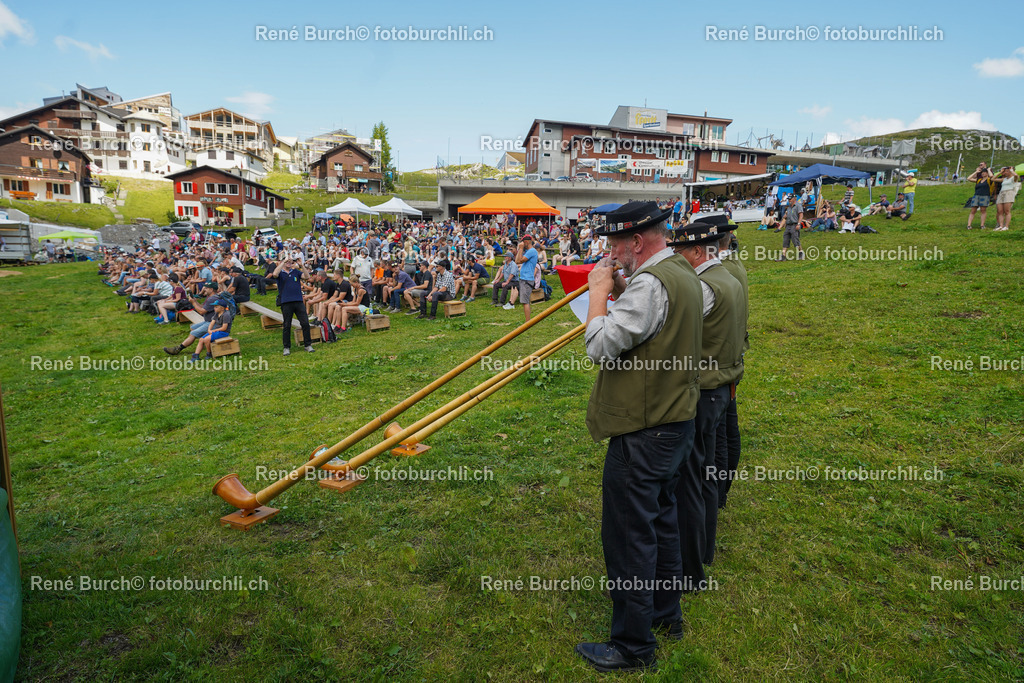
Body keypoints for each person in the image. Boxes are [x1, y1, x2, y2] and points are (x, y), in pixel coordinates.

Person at [575, 201, 702, 673]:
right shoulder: (680, 271)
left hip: (644, 428)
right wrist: (624, 290)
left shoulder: (651, 282)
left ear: (635, 242)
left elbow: (601, 345)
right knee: (662, 523)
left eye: (614, 245)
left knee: (630, 535)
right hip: (676, 420)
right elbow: (658, 326)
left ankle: (632, 645)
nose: (611, 253)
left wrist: (597, 294)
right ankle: (667, 616)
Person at [668, 221, 745, 578]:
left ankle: (690, 563)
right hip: (722, 387)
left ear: (698, 251)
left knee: (692, 479)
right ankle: (704, 549)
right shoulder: (729, 277)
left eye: (680, 251)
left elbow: (673, 329)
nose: (675, 257)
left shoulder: (704, 286)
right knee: (707, 474)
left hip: (705, 390)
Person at [162, 281, 220, 355]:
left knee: (193, 333)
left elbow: (201, 312)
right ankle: (205, 341)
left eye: (206, 288)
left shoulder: (212, 299)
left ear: (211, 289)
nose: (204, 289)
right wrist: (195, 301)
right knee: (193, 327)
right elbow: (203, 307)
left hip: (214, 324)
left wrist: (193, 303)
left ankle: (178, 349)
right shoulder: (210, 297)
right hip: (209, 321)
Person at [274, 257, 315, 355]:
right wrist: (282, 262)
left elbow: (306, 276)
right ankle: (286, 347)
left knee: (305, 323)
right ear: (283, 262)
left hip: (298, 301)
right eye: (287, 261)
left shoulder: (295, 271)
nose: (289, 263)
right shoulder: (280, 273)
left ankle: (308, 345)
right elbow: (275, 274)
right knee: (287, 325)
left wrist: (301, 265)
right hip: (286, 302)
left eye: (290, 261)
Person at [514, 235, 539, 322]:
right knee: (525, 301)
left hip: (527, 279)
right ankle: (527, 321)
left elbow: (520, 260)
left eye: (523, 242)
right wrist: (519, 249)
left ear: (527, 242)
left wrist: (520, 249)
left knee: (525, 302)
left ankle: (527, 322)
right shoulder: (529, 251)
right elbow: (516, 261)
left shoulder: (532, 251)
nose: (522, 244)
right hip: (524, 278)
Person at [966, 163, 994, 229]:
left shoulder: (989, 180)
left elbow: (992, 176)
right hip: (976, 196)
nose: (983, 173)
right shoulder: (978, 180)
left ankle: (982, 225)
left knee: (983, 210)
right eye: (982, 172)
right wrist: (976, 171)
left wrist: (989, 170)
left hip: (985, 196)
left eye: (984, 172)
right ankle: (969, 225)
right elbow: (969, 178)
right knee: (973, 210)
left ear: (987, 173)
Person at [994, 166, 1021, 231]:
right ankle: (1001, 225)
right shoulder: (1004, 179)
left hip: (1009, 193)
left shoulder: (1013, 178)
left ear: (1010, 171)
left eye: (1007, 171)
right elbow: (993, 179)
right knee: (1000, 211)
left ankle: (1006, 226)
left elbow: (1016, 175)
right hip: (1001, 193)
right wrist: (1000, 172)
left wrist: (1011, 170)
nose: (1005, 172)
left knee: (1007, 211)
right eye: (1005, 171)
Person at [778, 195, 804, 261]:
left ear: (794, 198)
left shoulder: (798, 206)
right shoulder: (789, 207)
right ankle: (783, 256)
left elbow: (801, 215)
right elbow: (785, 216)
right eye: (788, 199)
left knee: (795, 240)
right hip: (788, 225)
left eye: (790, 199)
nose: (789, 200)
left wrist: (798, 224)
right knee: (785, 240)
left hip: (794, 225)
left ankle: (801, 253)